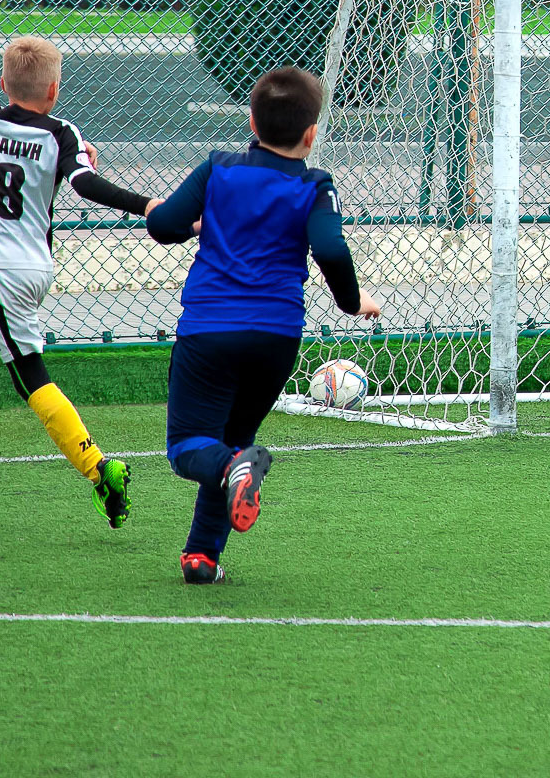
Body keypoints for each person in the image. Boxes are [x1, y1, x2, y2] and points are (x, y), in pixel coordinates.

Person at [147, 66, 380, 584]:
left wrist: (193, 221)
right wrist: (350, 302)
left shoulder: (218, 169)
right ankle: (201, 557)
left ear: (251, 122)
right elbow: (330, 247)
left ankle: (230, 478)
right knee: (234, 441)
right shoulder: (316, 185)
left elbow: (163, 225)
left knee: (188, 447)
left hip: (210, 329)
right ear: (311, 134)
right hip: (275, 338)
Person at [0, 36, 159, 527]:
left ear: (3, 82)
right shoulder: (62, 133)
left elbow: (7, 117)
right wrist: (146, 203)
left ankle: (100, 468)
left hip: (2, 269)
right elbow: (85, 183)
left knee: (30, 375)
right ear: (54, 90)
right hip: (32, 266)